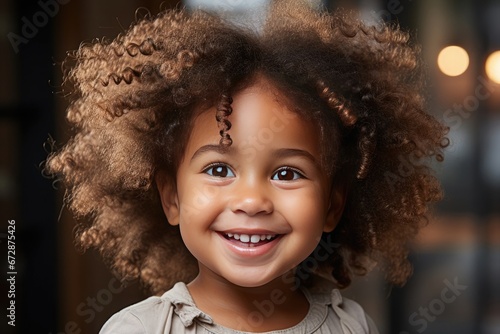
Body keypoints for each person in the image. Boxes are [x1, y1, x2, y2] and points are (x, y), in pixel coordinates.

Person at [44, 0, 448, 332]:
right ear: (171, 197)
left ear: (332, 205)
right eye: (219, 170)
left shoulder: (351, 325)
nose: (252, 200)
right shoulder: (140, 329)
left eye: (286, 173)